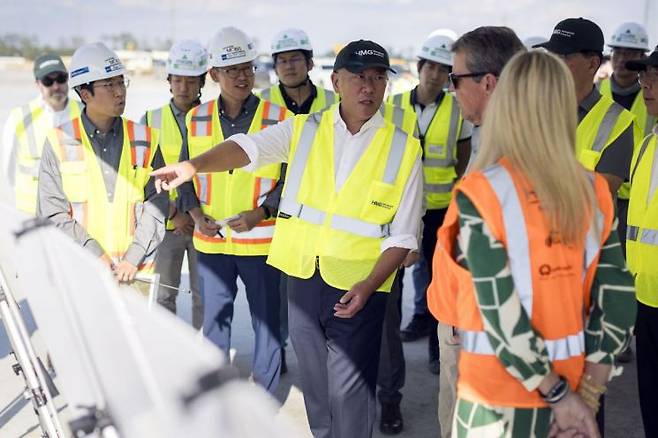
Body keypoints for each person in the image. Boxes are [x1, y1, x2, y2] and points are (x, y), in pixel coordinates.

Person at [152, 39, 423, 438]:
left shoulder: (404, 148)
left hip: (360, 286)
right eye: (358, 77)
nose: (368, 87)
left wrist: (368, 285)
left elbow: (404, 237)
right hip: (301, 279)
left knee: (351, 392)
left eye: (378, 78)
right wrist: (194, 166)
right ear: (336, 81)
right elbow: (246, 148)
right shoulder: (304, 129)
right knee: (316, 390)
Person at [429, 49, 636, 437]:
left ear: (506, 105)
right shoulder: (593, 191)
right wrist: (584, 396)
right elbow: (618, 302)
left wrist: (558, 395)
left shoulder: (481, 192)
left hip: (493, 406)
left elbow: (496, 307)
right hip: (572, 401)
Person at [175, 27, 292, 394]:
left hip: (260, 242)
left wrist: (260, 213)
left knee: (268, 325)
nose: (242, 76)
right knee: (214, 324)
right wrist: (195, 216)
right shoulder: (196, 120)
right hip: (211, 242)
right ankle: (217, 398)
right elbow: (185, 173)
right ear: (213, 75)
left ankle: (266, 400)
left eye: (247, 67)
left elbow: (291, 179)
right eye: (232, 70)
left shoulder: (279, 116)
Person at [435, 25, 524, 438]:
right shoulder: (490, 135)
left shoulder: (507, 150)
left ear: (488, 82)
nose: (450, 88)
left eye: (455, 79)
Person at [37, 42, 167, 289]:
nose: (120, 92)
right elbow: (52, 212)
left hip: (136, 274)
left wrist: (133, 258)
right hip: (80, 272)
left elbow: (158, 203)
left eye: (121, 82)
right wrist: (95, 254)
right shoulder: (58, 141)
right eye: (109, 85)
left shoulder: (147, 138)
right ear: (85, 94)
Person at [388, 29, 472, 377]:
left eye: (443, 69)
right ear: (419, 68)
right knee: (394, 277)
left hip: (439, 208)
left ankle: (438, 349)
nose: (435, 75)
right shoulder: (393, 107)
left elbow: (464, 153)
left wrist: (456, 189)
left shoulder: (457, 108)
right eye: (430, 67)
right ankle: (402, 340)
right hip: (398, 209)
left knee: (440, 276)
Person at [142, 40, 207, 329]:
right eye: (178, 80)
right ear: (169, 81)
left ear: (201, 82)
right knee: (164, 295)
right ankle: (168, 354)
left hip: (204, 222)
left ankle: (203, 355)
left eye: (190, 81)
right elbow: (144, 174)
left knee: (204, 296)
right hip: (166, 224)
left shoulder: (211, 118)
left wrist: (195, 215)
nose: (183, 87)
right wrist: (174, 214)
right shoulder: (151, 120)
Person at [598, 22, 652, 364]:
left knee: (629, 269)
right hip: (603, 192)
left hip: (639, 200)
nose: (622, 59)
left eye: (631, 53)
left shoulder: (650, 98)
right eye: (618, 52)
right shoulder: (597, 93)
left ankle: (623, 334)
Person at [535, 18, 636, 199]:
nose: (554, 64)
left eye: (564, 56)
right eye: (551, 56)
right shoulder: (531, 109)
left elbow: (601, 193)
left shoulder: (619, 123)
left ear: (592, 64)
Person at [624, 47, 658, 438]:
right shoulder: (647, 143)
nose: (644, 85)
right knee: (650, 402)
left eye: (654, 77)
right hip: (644, 300)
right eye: (644, 75)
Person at [2, 53, 82, 214]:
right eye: (48, 81)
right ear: (38, 84)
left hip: (76, 214)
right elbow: (9, 173)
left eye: (61, 78)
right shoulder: (19, 118)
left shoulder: (85, 114)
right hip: (32, 213)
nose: (56, 86)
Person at [260, 28, 338, 114]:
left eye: (295, 59)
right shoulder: (259, 103)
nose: (289, 66)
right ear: (275, 68)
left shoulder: (335, 102)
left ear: (310, 64)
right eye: (282, 61)